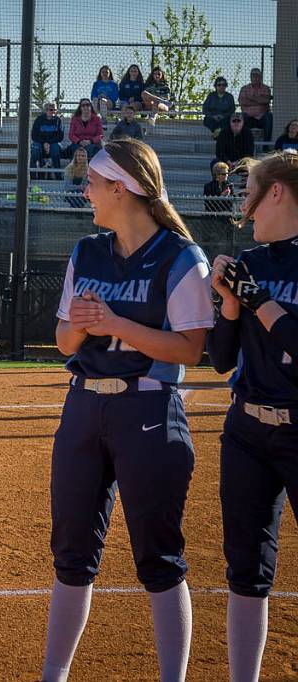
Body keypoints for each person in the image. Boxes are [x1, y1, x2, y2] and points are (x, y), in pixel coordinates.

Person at [41, 139, 214, 682]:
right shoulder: (86, 252)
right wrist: (83, 324)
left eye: (93, 183)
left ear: (122, 188)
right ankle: (54, 675)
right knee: (71, 554)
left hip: (149, 411)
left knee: (159, 560)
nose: (85, 191)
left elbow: (189, 349)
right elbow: (65, 341)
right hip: (84, 409)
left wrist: (116, 324)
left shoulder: (181, 256)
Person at [206, 150, 298, 682]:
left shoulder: (258, 276)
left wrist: (256, 298)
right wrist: (230, 305)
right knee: (247, 570)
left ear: (278, 193)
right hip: (246, 431)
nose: (245, 203)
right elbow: (221, 361)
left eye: (252, 191)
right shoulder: (251, 263)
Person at [238, 67, 273, 142]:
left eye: (257, 76)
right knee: (241, 117)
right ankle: (242, 144)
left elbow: (266, 100)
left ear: (261, 77)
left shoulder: (266, 88)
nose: (255, 78)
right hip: (248, 117)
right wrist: (259, 100)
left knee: (269, 117)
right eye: (253, 76)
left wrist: (251, 98)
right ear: (250, 77)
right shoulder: (245, 88)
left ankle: (266, 145)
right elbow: (242, 101)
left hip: (262, 118)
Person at [30, 102, 64, 171]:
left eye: (54, 110)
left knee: (55, 148)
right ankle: (32, 176)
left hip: (53, 143)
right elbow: (34, 136)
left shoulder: (58, 120)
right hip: (40, 143)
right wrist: (44, 143)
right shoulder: (39, 120)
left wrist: (48, 143)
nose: (53, 112)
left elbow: (60, 137)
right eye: (51, 110)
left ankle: (58, 175)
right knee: (35, 149)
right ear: (46, 110)